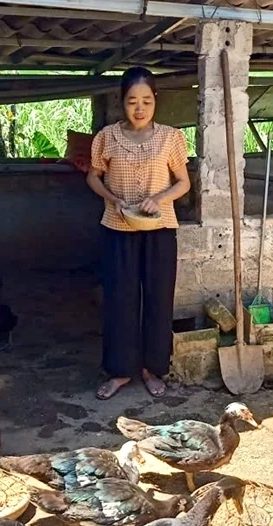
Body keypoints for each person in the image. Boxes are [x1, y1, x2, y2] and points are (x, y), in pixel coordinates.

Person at [86, 67, 191, 400]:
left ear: (155, 101)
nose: (140, 108)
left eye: (147, 100)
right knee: (120, 299)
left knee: (158, 300)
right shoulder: (106, 137)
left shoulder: (170, 138)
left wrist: (158, 198)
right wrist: (113, 199)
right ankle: (119, 371)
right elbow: (92, 177)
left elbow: (184, 182)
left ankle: (152, 369)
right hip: (118, 228)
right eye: (133, 101)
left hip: (159, 229)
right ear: (122, 103)